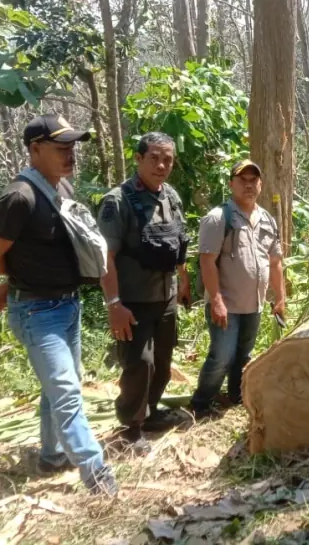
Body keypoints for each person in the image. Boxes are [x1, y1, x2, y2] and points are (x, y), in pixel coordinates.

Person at [0, 114, 117, 496]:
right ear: (35, 149)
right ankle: (96, 472)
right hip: (37, 312)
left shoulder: (61, 186)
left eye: (72, 147)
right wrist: (19, 279)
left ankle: (52, 455)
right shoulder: (19, 197)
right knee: (67, 391)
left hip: (66, 306)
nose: (70, 155)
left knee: (56, 389)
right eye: (61, 148)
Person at [97, 132, 191, 454]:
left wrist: (184, 280)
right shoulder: (118, 201)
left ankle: (149, 413)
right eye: (154, 157)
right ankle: (131, 427)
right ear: (138, 159)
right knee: (140, 364)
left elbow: (177, 243)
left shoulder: (171, 197)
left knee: (163, 363)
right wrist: (113, 304)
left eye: (168, 159)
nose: (161, 165)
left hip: (165, 298)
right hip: (132, 301)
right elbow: (105, 259)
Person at [190, 160, 285, 416]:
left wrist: (279, 298)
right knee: (222, 356)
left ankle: (236, 396)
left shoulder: (267, 220)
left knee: (244, 355)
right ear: (231, 183)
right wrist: (217, 301)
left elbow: (275, 262)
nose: (249, 185)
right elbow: (207, 261)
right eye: (243, 180)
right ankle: (200, 404)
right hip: (226, 304)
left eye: (253, 180)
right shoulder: (219, 218)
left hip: (253, 304)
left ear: (261, 184)